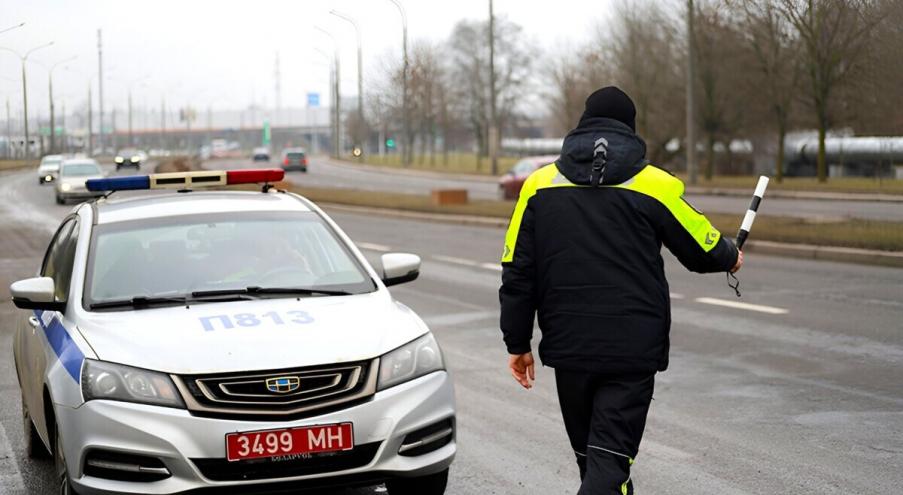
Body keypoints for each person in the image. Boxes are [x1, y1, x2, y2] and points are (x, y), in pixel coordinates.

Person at [498, 86, 742, 494]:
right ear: (631, 129)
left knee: (596, 465)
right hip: (632, 350)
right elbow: (702, 246)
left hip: (570, 347)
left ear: (581, 126)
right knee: (606, 466)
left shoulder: (539, 185)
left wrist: (517, 341)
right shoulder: (654, 184)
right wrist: (729, 256)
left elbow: (517, 269)